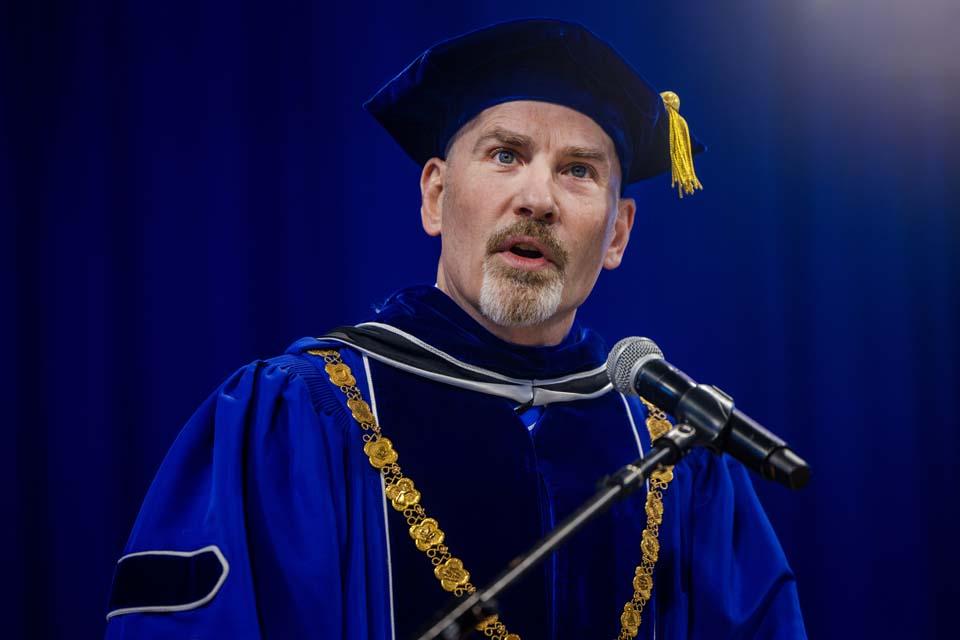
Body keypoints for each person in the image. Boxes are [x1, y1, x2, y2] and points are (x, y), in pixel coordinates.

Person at [105, 19, 806, 640]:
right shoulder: (307, 416)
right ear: (436, 195)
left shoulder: (676, 456)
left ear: (618, 232)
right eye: (505, 155)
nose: (537, 199)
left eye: (579, 171)